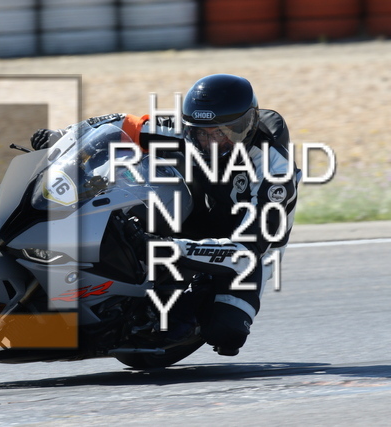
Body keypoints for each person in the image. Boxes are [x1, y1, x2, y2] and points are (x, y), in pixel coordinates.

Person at [30, 74, 301, 356]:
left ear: (249, 124)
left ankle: (189, 303)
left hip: (250, 247)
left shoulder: (274, 170)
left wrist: (169, 248)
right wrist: (61, 137)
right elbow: (121, 124)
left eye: (224, 133)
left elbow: (246, 252)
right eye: (203, 133)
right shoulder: (187, 130)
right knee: (135, 193)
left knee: (226, 331)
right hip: (201, 211)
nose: (212, 142)